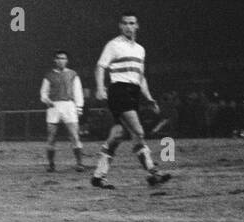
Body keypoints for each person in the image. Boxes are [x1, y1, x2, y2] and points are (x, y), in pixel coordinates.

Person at [91, 12, 172, 189]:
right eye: (125, 23)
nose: (129, 26)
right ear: (121, 26)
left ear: (137, 26)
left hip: (133, 92)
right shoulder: (114, 45)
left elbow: (141, 77)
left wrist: (149, 97)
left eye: (132, 23)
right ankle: (153, 172)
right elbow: (100, 66)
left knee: (118, 135)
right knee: (138, 132)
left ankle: (98, 176)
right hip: (119, 91)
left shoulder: (140, 50)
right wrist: (99, 87)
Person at [40, 50, 86, 172]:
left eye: (64, 58)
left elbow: (78, 91)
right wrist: (47, 100)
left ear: (67, 60)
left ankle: (80, 163)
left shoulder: (73, 74)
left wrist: (79, 107)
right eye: (59, 58)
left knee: (75, 136)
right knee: (51, 137)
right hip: (54, 107)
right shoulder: (48, 75)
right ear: (55, 60)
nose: (61, 60)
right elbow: (43, 93)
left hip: (69, 106)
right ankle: (51, 164)